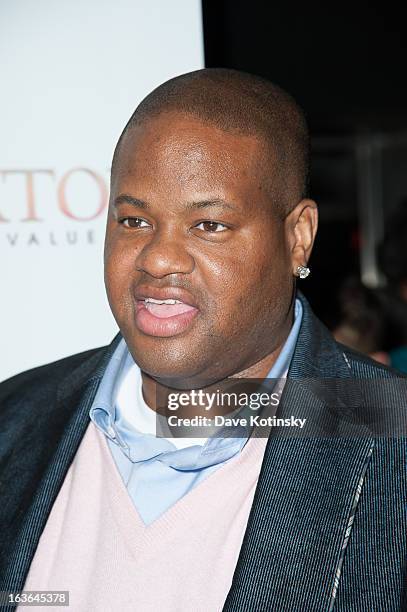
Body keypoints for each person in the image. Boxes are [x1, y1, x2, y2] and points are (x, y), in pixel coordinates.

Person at [0, 69, 406, 612]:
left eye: (208, 225)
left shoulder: (392, 441)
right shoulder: (14, 418)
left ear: (298, 238)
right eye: (134, 220)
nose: (158, 258)